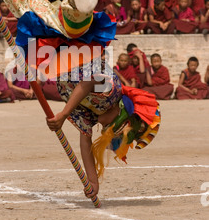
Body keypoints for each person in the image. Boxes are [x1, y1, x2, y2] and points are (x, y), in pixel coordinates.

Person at [46, 62, 160, 198]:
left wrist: (93, 181)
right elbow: (88, 82)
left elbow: (85, 140)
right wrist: (64, 114)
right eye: (110, 128)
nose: (104, 129)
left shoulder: (93, 115)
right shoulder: (112, 92)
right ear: (119, 116)